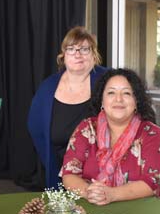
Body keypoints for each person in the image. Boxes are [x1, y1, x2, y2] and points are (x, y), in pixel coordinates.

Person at [61, 68, 160, 205]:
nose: (118, 99)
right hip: (92, 208)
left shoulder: (152, 134)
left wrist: (111, 194)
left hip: (142, 213)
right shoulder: (86, 129)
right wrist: (89, 193)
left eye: (127, 93)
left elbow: (152, 182)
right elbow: (69, 174)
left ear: (136, 102)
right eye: (111, 92)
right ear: (102, 101)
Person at [28, 26, 107, 189]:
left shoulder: (108, 80)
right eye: (71, 49)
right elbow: (35, 127)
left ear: (94, 54)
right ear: (63, 55)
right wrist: (53, 164)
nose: (78, 54)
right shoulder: (48, 86)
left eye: (84, 49)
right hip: (59, 168)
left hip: (102, 170)